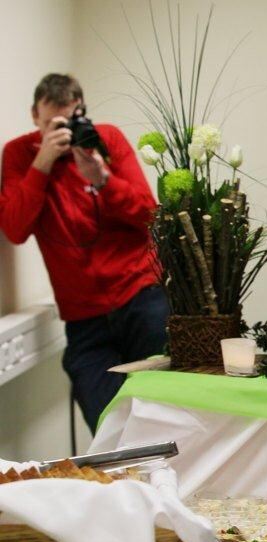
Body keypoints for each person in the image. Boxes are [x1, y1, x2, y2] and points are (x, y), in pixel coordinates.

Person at [0, 73, 166, 433]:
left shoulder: (105, 140)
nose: (62, 132)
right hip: (84, 317)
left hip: (140, 297)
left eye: (70, 120)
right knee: (107, 425)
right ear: (35, 116)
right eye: (52, 124)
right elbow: (14, 228)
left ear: (82, 111)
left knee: (164, 413)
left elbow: (148, 215)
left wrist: (102, 178)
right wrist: (42, 163)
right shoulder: (19, 155)